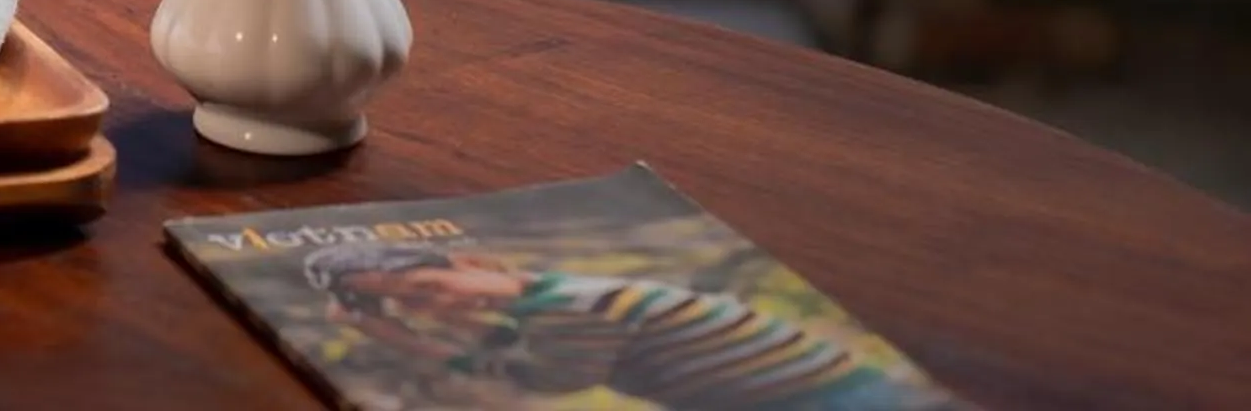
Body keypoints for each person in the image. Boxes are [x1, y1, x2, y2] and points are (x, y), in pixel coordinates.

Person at [304, 241, 951, 409]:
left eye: (427, 286)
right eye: (411, 306)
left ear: (471, 260)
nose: (434, 306)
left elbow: (551, 381)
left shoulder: (570, 311)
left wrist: (402, 340)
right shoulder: (556, 297)